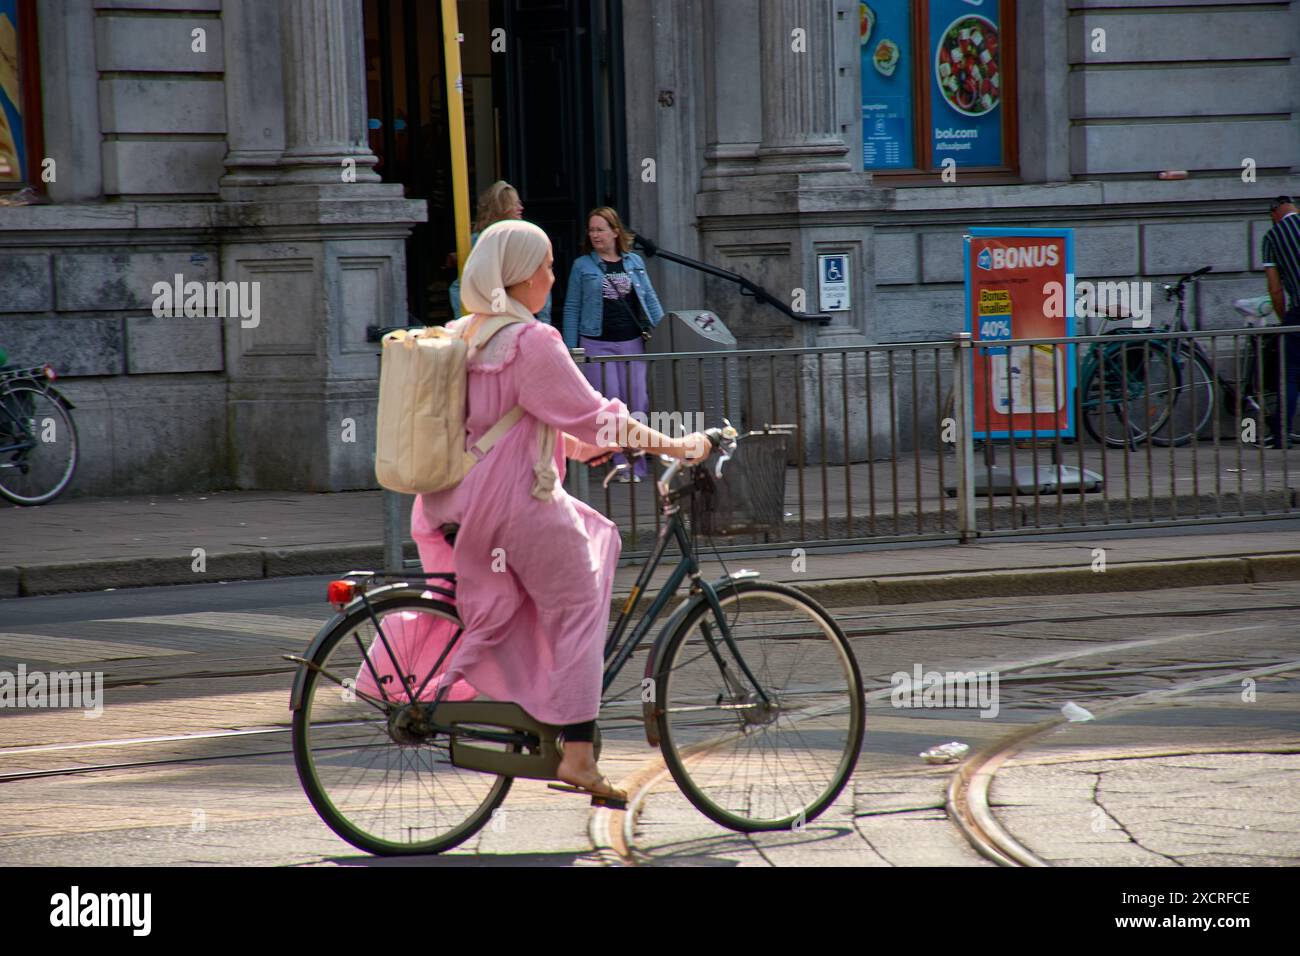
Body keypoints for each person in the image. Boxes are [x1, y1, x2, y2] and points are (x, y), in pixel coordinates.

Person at [412, 219, 709, 804]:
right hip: (514, 502)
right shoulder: (531, 341)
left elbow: (520, 420)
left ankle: (535, 706)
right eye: (545, 266)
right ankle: (577, 754)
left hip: (460, 497)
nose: (553, 274)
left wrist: (579, 445)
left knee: (578, 555)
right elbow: (596, 416)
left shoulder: (464, 333)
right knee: (577, 605)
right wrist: (678, 444)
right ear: (520, 278)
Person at [561, 207, 664, 480]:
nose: (595, 234)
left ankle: (638, 464)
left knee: (638, 402)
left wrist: (666, 332)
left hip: (631, 341)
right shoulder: (582, 266)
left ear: (615, 232)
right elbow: (572, 308)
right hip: (596, 343)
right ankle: (621, 463)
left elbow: (651, 301)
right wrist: (573, 349)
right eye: (591, 230)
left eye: (600, 229)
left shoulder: (634, 263)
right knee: (611, 406)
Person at [447, 181, 552, 322]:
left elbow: (539, 278)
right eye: (515, 204)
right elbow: (458, 286)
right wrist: (466, 319)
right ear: (502, 207)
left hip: (523, 318)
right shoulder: (481, 240)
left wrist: (544, 322)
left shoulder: (524, 239)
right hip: (495, 321)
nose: (521, 208)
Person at [1262, 195, 1300, 447]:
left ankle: (1282, 435)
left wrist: (1282, 318)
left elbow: (1275, 288)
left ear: (1275, 214)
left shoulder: (1272, 237)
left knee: (1292, 372)